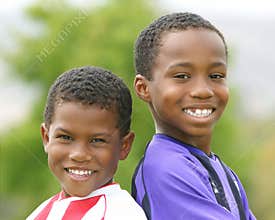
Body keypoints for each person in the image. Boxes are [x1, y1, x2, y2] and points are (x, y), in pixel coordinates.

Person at [132, 12, 256, 220]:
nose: (203, 90)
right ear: (144, 88)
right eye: (182, 76)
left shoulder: (220, 169)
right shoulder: (165, 169)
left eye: (215, 76)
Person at [27, 66, 147, 220]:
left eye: (97, 140)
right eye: (66, 137)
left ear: (124, 146)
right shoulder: (40, 213)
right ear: (46, 137)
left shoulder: (121, 214)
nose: (79, 155)